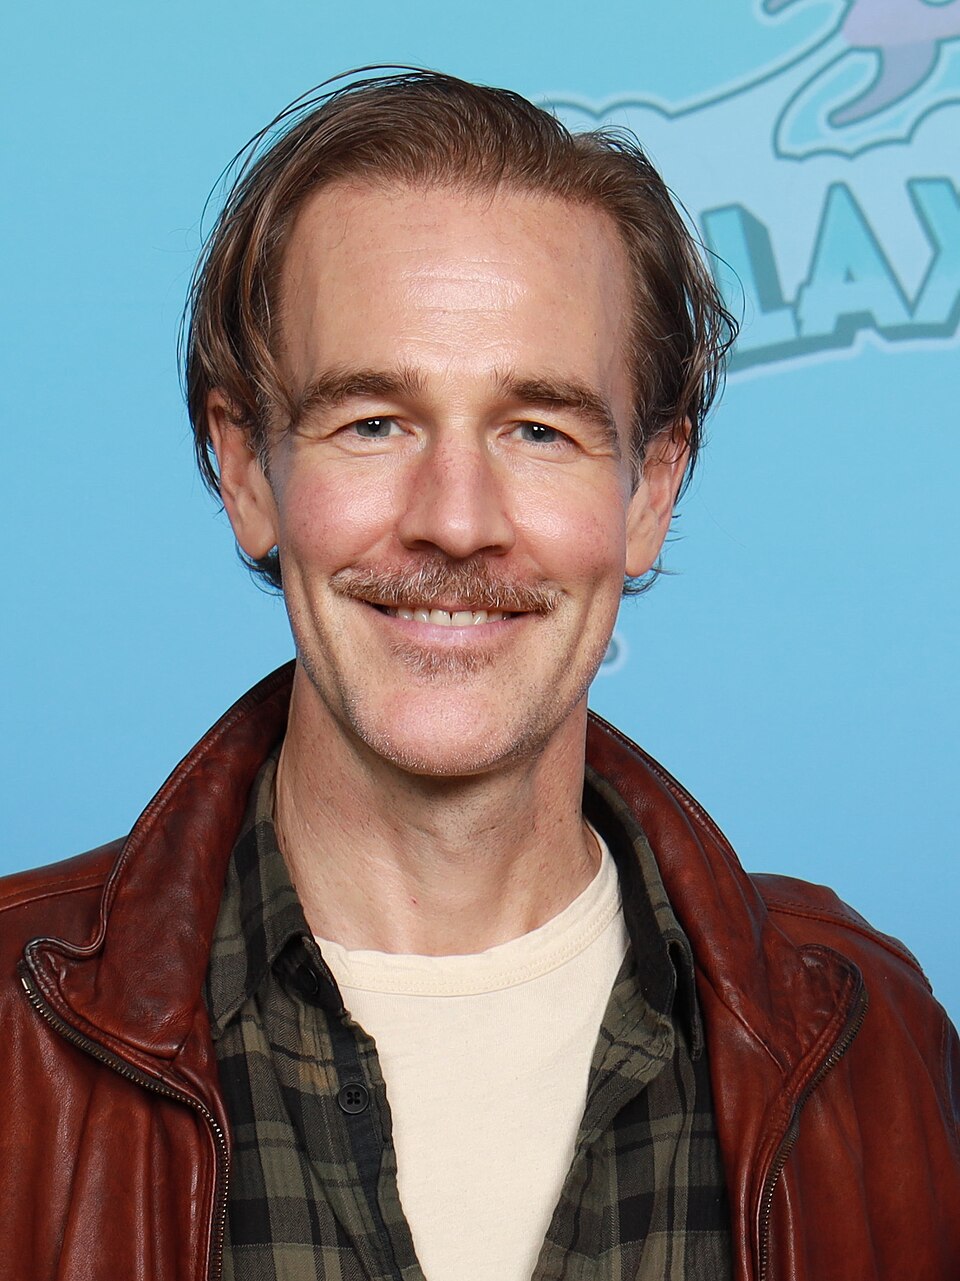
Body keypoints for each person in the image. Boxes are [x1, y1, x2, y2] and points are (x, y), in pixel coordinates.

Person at [1, 70, 957, 1281]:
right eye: (374, 422)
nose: (456, 521)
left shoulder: (871, 1047)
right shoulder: (13, 1042)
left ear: (652, 491)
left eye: (539, 430)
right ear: (245, 470)